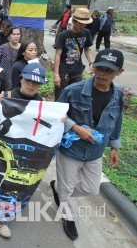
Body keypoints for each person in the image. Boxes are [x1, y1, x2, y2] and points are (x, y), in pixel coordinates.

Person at [51, 49, 125, 240]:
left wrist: (114, 147)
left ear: (119, 72)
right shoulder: (73, 90)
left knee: (92, 188)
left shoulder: (118, 95)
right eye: (99, 68)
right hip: (71, 150)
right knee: (67, 189)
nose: (102, 74)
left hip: (95, 152)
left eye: (108, 71)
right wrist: (76, 128)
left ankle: (59, 189)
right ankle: (67, 215)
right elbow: (57, 115)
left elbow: (117, 120)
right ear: (92, 67)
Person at [0, 62, 46, 238]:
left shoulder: (42, 103)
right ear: (21, 79)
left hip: (26, 150)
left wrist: (59, 119)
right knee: (3, 181)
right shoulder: (6, 96)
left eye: (36, 83)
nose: (31, 85)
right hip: (4, 147)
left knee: (16, 182)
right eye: (28, 80)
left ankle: (4, 216)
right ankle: (2, 218)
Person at [53, 8, 94, 100]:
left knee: (75, 97)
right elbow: (57, 55)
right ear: (74, 21)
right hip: (64, 72)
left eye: (85, 23)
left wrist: (91, 63)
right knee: (60, 97)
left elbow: (87, 49)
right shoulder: (63, 35)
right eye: (81, 23)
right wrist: (56, 74)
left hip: (77, 71)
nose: (83, 26)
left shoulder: (86, 33)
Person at [0, 26, 21, 90]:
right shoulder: (3, 48)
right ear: (9, 35)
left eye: (18, 34)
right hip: (4, 81)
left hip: (18, 81)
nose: (16, 36)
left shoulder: (23, 49)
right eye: (14, 34)